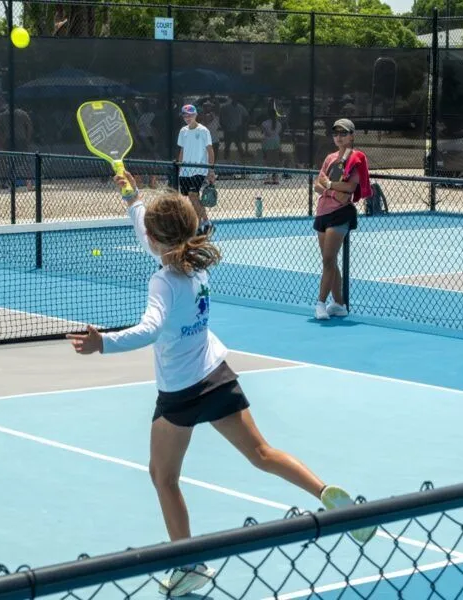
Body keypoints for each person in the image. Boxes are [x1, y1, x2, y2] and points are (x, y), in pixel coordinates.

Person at [67, 172, 375, 597]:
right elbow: (151, 233)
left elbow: (150, 329)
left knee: (163, 477)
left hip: (180, 393)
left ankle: (190, 564)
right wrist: (132, 198)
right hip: (217, 376)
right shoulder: (195, 264)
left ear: (155, 240)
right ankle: (327, 493)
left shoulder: (162, 281)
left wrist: (103, 342)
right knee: (263, 453)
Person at [312, 118, 371, 321]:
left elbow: (349, 188)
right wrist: (331, 189)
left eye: (343, 133)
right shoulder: (330, 158)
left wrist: (329, 185)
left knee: (328, 259)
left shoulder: (357, 158)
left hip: (340, 214)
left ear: (352, 136)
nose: (339, 137)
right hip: (322, 212)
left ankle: (320, 303)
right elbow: (317, 184)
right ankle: (339, 304)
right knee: (330, 261)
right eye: (336, 133)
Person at [176, 104, 215, 236]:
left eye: (190, 115)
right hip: (185, 171)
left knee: (193, 195)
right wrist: (180, 168)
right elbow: (182, 150)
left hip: (200, 170)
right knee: (192, 198)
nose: (188, 117)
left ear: (196, 115)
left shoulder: (203, 131)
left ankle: (207, 222)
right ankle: (198, 227)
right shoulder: (183, 131)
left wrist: (210, 170)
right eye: (185, 115)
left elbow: (210, 151)